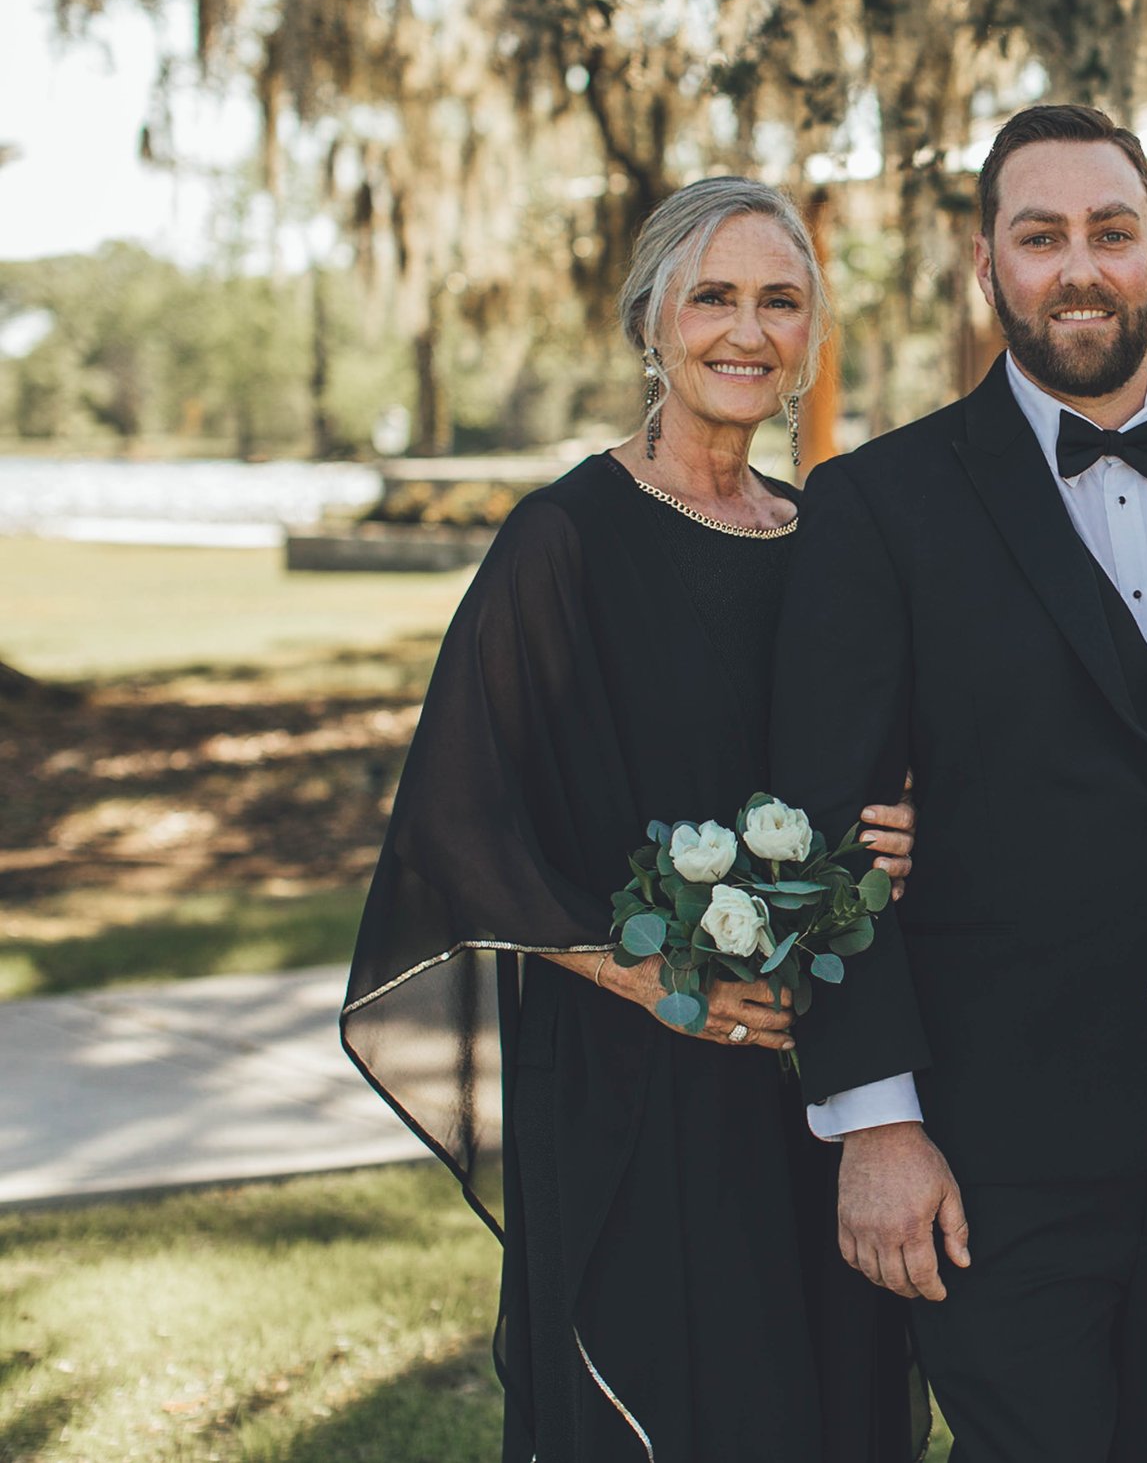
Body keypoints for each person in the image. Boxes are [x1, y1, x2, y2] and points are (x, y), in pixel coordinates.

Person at [770, 104, 1147, 1463]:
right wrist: (877, 1121)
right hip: (991, 1140)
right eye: (1041, 237)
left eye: (1109, 230)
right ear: (989, 267)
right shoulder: (876, 504)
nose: (1077, 266)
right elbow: (828, 832)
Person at [342, 176, 926, 1462]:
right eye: (712, 294)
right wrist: (645, 971)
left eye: (781, 300)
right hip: (635, 1076)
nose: (746, 329)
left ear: (812, 336)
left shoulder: (832, 535)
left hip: (820, 1072)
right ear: (649, 319)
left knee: (824, 1398)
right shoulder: (561, 540)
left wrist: (914, 826)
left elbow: (904, 751)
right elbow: (458, 816)